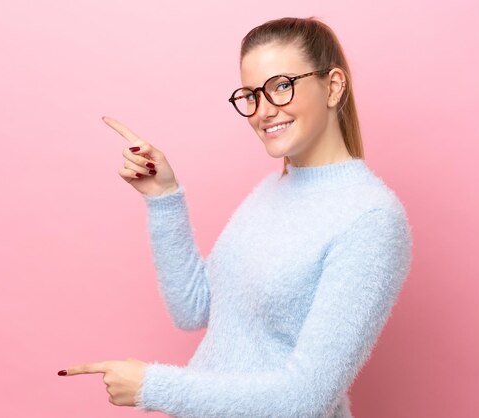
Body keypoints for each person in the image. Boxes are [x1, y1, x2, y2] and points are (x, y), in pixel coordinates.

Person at [58, 16, 413, 418]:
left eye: (281, 86)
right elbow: (194, 309)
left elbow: (304, 398)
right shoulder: (270, 192)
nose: (263, 111)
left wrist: (153, 386)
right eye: (251, 95)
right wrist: (164, 198)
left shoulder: (371, 218)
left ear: (333, 86)